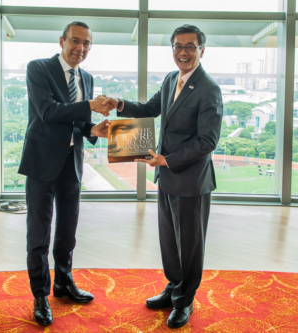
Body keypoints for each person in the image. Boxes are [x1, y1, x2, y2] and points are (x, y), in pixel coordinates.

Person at [103, 24, 223, 328]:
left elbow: (207, 142)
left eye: (190, 47)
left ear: (201, 51)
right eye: (178, 46)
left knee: (190, 244)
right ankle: (173, 289)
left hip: (190, 180)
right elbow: (149, 108)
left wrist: (166, 160)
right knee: (169, 240)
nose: (183, 52)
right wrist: (119, 104)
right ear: (172, 50)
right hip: (168, 177)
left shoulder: (209, 89)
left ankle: (186, 300)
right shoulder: (172, 79)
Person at [17, 21, 111, 326]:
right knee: (38, 233)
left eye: (86, 44)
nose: (80, 48)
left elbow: (79, 122)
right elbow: (49, 111)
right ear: (62, 41)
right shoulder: (39, 68)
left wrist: (94, 129)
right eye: (75, 41)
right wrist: (89, 107)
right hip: (42, 161)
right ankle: (40, 294)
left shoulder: (87, 77)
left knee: (68, 230)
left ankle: (63, 282)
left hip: (72, 162)